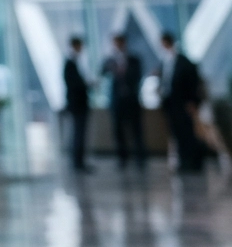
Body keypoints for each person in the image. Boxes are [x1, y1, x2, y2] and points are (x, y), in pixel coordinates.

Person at [159, 30, 207, 174]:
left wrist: (193, 101)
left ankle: (193, 161)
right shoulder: (165, 62)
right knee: (177, 133)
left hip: (183, 103)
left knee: (187, 132)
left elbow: (193, 84)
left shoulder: (183, 62)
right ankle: (183, 161)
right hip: (171, 103)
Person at [102, 32, 149, 170]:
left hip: (132, 100)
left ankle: (140, 158)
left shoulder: (134, 59)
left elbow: (138, 76)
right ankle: (122, 158)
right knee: (118, 131)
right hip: (117, 101)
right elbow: (102, 72)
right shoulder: (110, 60)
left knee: (137, 130)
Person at [61, 35, 93, 174]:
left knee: (80, 133)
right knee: (78, 134)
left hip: (80, 103)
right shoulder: (70, 63)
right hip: (77, 104)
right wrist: (86, 85)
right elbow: (73, 85)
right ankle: (77, 162)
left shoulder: (75, 62)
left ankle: (79, 161)